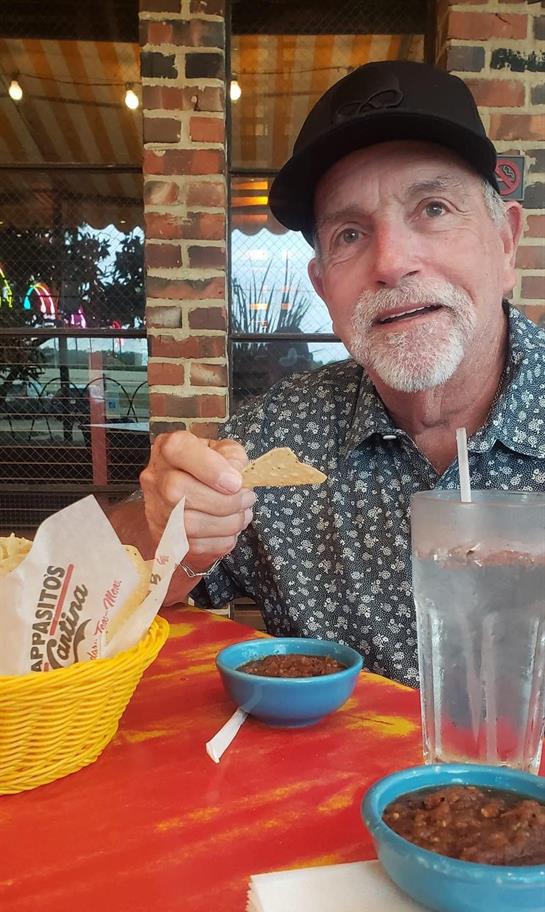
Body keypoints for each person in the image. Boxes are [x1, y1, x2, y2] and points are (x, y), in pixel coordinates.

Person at [111, 60, 545, 686]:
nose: (392, 261)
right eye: (349, 234)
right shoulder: (284, 433)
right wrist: (164, 530)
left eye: (433, 207)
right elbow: (92, 580)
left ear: (506, 243)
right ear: (323, 287)